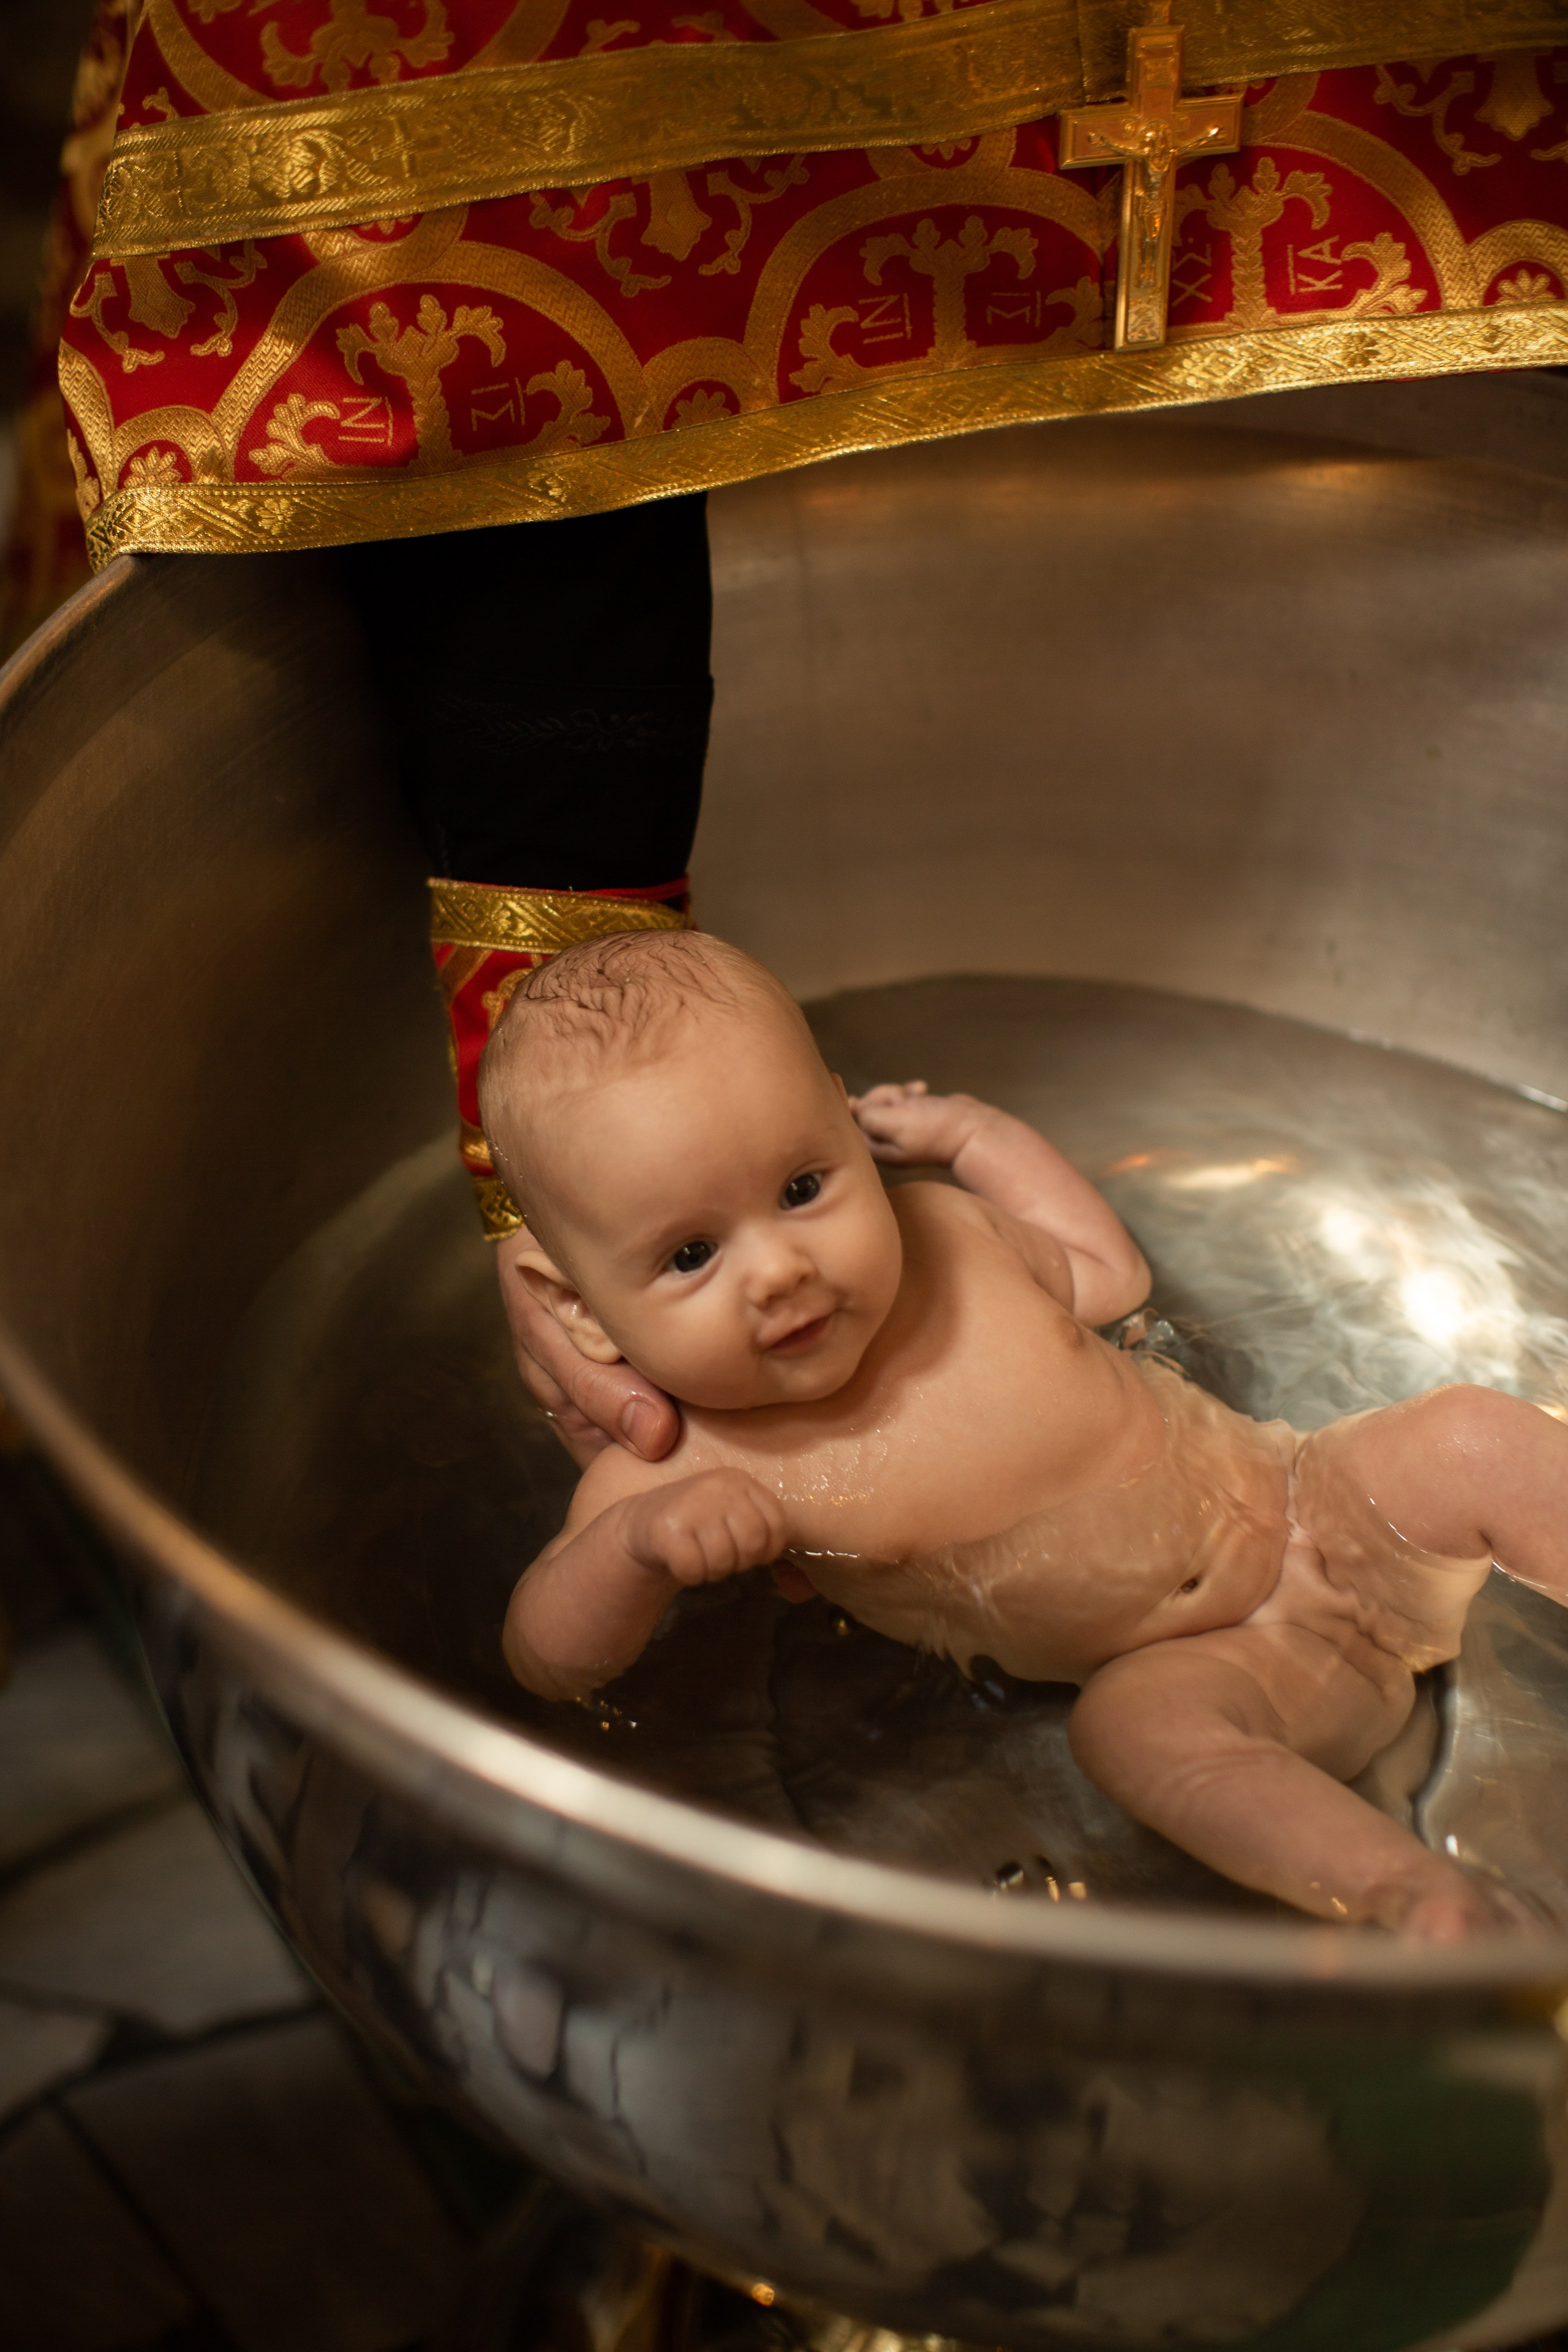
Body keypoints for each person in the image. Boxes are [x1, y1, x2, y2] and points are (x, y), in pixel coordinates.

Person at [478, 927, 1564, 1942]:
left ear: (845, 1119)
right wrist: (636, 1553)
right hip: (1215, 1670)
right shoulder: (679, 1464)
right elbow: (547, 1660)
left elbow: (1110, 1274)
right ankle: (1416, 1897)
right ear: (570, 1305)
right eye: (689, 1256)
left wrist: (975, 1138)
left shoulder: (952, 1235)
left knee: (1463, 1435)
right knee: (1133, 1738)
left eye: (805, 1186)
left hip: (1314, 1505)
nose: (780, 1270)